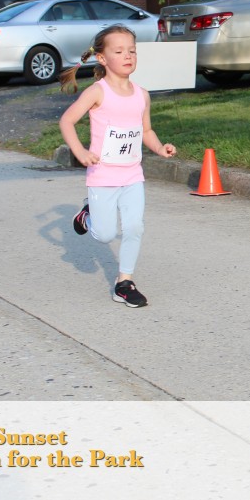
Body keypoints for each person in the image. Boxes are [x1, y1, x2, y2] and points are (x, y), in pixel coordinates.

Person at [58, 25, 177, 308]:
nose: (128, 56)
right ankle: (87, 216)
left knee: (134, 227)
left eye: (132, 51)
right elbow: (67, 121)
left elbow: (146, 130)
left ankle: (124, 282)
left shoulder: (142, 94)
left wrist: (160, 148)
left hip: (133, 174)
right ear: (102, 58)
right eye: (119, 51)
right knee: (105, 234)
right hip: (102, 176)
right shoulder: (97, 92)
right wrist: (80, 152)